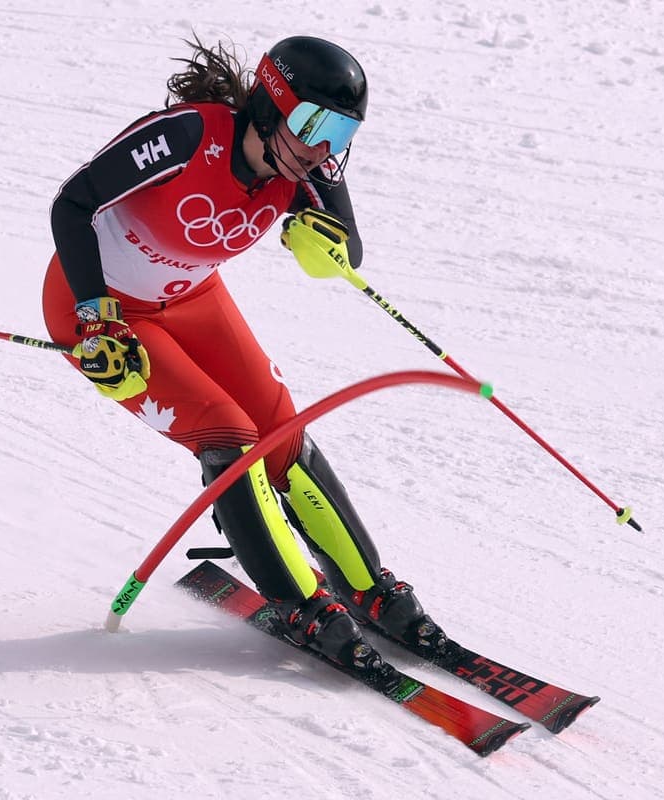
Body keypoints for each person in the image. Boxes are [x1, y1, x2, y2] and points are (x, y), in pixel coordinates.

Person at [42, 36, 446, 670]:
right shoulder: (185, 137)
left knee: (281, 431)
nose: (322, 148)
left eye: (341, 133)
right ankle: (300, 604)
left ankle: (368, 586)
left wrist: (324, 241)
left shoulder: (305, 169)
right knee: (227, 433)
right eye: (315, 123)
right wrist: (95, 320)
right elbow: (72, 203)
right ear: (271, 106)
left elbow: (350, 249)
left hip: (192, 297)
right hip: (100, 308)